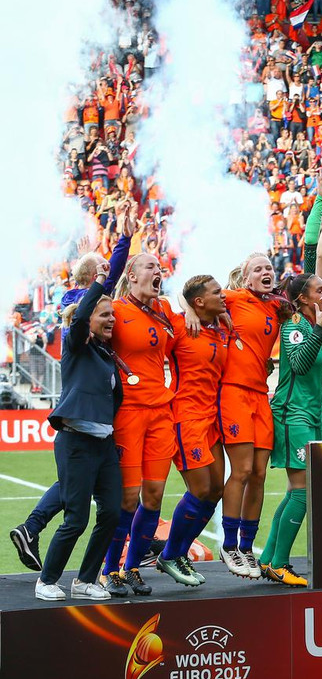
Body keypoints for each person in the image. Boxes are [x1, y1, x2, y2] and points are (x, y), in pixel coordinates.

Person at [36, 264, 122, 602]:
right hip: (76, 442)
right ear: (87, 319)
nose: (111, 319)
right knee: (76, 518)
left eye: (112, 314)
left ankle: (86, 579)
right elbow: (82, 313)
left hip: (104, 444)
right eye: (104, 314)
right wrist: (100, 281)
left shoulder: (105, 354)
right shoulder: (75, 344)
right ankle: (46, 580)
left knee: (112, 512)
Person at [103, 253, 178, 597]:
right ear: (131, 276)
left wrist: (191, 311)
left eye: (159, 268)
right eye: (150, 267)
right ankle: (110, 570)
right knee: (128, 498)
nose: (157, 271)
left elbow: (184, 333)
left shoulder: (163, 310)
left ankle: (132, 567)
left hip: (161, 412)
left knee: (154, 495)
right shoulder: (115, 311)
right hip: (129, 413)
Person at [258, 273, 322, 587]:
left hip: (310, 414)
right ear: (303, 299)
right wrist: (320, 328)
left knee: (295, 490)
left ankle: (268, 559)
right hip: (292, 414)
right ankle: (279, 563)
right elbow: (301, 365)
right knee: (303, 491)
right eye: (319, 290)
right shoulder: (294, 326)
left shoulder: (314, 324)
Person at [154, 275, 230, 587]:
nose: (222, 295)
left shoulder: (220, 327)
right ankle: (169, 554)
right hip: (187, 419)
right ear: (199, 301)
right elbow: (164, 302)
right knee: (199, 490)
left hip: (212, 419)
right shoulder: (183, 326)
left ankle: (179, 551)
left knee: (216, 491)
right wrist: (184, 308)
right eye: (216, 293)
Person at [218, 253, 290, 578]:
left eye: (269, 268)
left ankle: (247, 547)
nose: (266, 272)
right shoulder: (233, 298)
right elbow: (193, 296)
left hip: (262, 393)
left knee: (260, 473)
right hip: (234, 391)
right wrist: (193, 313)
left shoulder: (276, 306)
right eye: (258, 269)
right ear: (246, 278)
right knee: (243, 469)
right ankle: (229, 544)